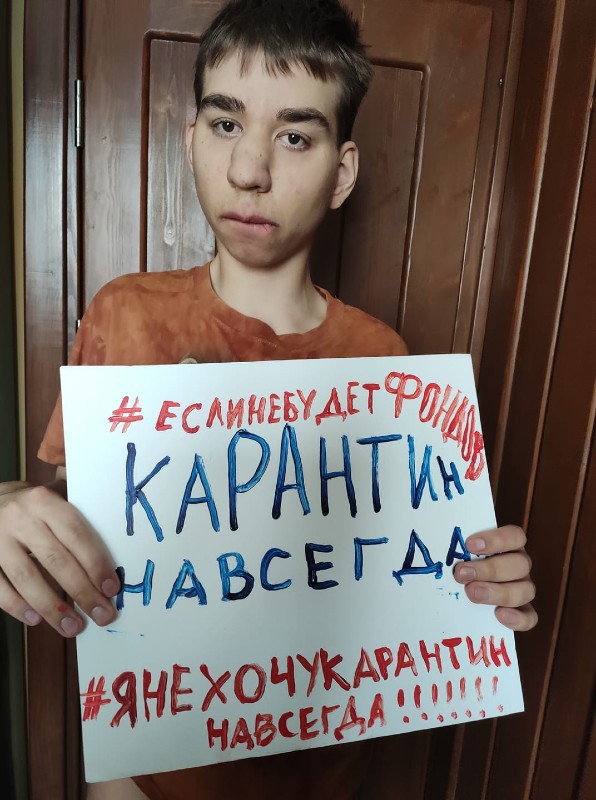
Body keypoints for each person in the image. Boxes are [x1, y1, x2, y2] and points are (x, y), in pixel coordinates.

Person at [0, 1, 537, 797]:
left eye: (294, 137)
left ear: (342, 172)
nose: (250, 169)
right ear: (192, 139)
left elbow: (398, 578)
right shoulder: (126, 313)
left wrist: (478, 587)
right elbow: (76, 525)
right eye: (226, 124)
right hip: (146, 774)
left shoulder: (383, 362)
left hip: (322, 777)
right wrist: (16, 518)